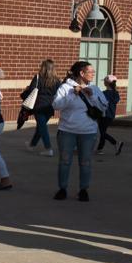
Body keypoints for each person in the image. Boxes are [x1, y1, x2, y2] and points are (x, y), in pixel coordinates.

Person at [51, 60, 105, 202]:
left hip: (88, 132)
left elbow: (104, 107)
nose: (93, 74)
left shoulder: (95, 88)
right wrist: (72, 95)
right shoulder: (65, 88)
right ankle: (62, 189)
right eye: (91, 72)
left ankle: (83, 190)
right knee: (64, 161)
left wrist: (92, 95)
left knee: (85, 162)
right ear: (82, 73)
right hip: (67, 130)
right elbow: (56, 105)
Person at [24, 59, 57, 155]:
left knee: (42, 127)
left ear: (43, 67)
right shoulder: (56, 80)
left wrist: (27, 89)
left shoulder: (38, 77)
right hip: (50, 106)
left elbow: (31, 90)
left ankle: (48, 148)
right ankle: (32, 145)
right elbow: (58, 92)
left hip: (39, 106)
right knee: (41, 126)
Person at [99, 75, 122, 152]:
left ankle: (115, 142)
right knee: (103, 132)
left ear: (106, 83)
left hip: (103, 115)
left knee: (102, 132)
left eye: (104, 81)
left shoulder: (103, 93)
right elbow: (117, 101)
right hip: (111, 115)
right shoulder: (116, 93)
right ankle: (100, 148)